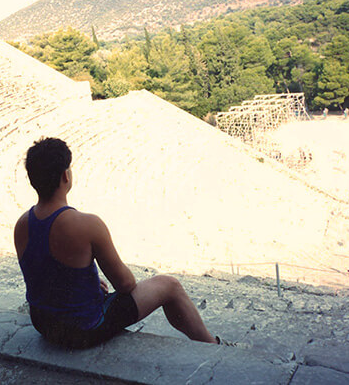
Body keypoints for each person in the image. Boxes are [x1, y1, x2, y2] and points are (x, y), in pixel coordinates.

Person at [14, 137, 218, 349]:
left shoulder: (21, 224)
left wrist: (87, 285)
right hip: (81, 331)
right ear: (66, 176)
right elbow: (126, 284)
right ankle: (213, 345)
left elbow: (44, 272)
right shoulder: (87, 224)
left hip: (44, 325)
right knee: (170, 286)